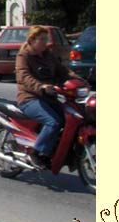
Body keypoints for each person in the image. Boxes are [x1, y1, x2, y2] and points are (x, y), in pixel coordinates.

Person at [15, 25, 75, 169]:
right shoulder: (24, 56)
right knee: (53, 122)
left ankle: (52, 152)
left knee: (69, 120)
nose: (45, 42)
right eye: (42, 39)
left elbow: (63, 71)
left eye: (46, 39)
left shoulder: (48, 55)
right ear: (32, 40)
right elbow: (24, 76)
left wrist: (78, 79)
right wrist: (40, 86)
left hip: (49, 97)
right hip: (30, 98)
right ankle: (36, 153)